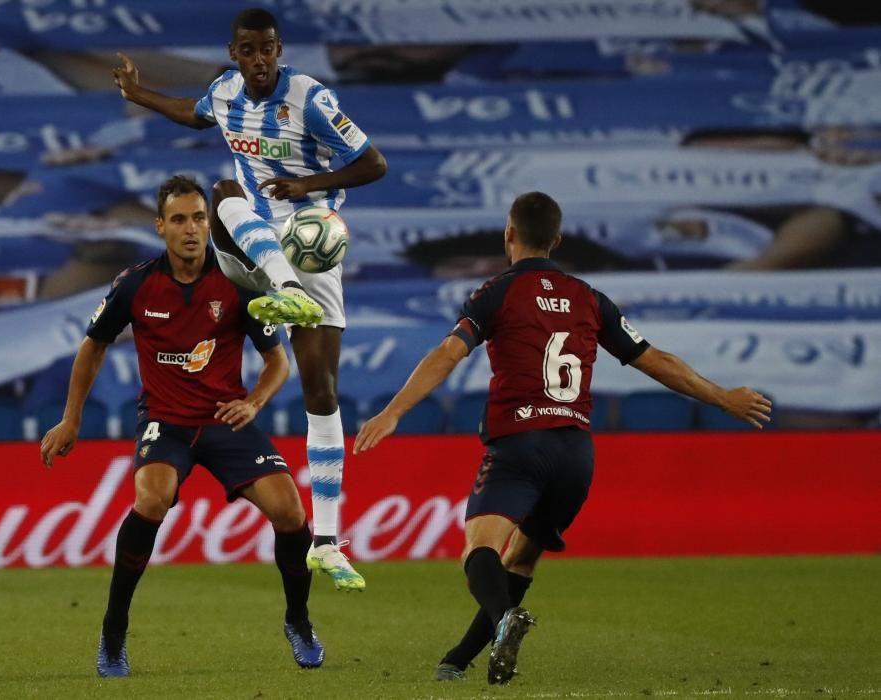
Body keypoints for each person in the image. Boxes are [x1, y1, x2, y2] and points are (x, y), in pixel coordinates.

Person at [354, 191, 772, 685]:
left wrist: (394, 411)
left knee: (479, 550)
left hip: (519, 443)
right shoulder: (589, 297)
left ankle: (501, 621)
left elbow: (449, 353)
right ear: (556, 240)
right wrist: (723, 398)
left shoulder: (495, 292)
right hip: (575, 453)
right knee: (523, 560)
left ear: (509, 234)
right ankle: (459, 660)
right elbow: (656, 360)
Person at [112, 7, 388, 591]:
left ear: (279, 49)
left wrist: (307, 187)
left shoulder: (310, 98)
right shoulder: (224, 92)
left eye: (268, 49)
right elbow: (193, 114)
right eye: (248, 50)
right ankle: (280, 290)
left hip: (312, 243)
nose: (259, 60)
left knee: (322, 391)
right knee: (223, 191)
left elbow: (373, 163)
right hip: (248, 246)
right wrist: (138, 94)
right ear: (234, 54)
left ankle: (328, 542)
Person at [39, 176, 325, 677]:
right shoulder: (135, 284)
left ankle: (298, 620)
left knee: (290, 511)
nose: (191, 229)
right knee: (150, 500)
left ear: (209, 224)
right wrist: (71, 418)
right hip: (166, 423)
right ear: (160, 227)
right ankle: (113, 632)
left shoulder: (238, 282)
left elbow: (276, 360)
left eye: (198, 218)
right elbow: (93, 346)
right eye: (179, 220)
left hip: (225, 421)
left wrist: (255, 401)